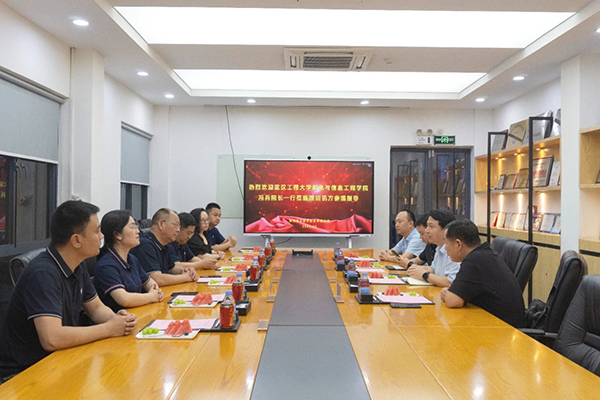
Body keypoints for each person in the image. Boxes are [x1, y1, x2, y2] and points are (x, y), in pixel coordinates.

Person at [0, 201, 137, 381]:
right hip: (24, 374)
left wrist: (118, 320)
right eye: (97, 231)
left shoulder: (77, 266)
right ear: (76, 240)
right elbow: (52, 338)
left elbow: (96, 308)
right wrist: (109, 328)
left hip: (58, 360)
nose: (102, 236)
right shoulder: (43, 273)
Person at [441, 220, 526, 328]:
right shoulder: (484, 254)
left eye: (446, 243)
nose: (445, 248)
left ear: (458, 244)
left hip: (503, 329)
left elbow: (452, 301)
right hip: (500, 324)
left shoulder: (474, 261)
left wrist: (449, 293)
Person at [94, 210, 163, 313]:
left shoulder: (132, 259)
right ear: (118, 234)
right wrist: (151, 296)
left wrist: (155, 292)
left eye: (136, 226)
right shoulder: (107, 265)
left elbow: (151, 284)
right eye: (132, 227)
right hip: (119, 318)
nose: (138, 231)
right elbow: (124, 299)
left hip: (139, 312)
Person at [131, 208, 197, 287]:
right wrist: (185, 277)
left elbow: (171, 268)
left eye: (179, 227)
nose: (178, 230)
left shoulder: (164, 245)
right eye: (176, 225)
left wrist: (185, 270)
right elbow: (156, 279)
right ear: (161, 224)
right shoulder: (146, 245)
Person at [407, 209, 460, 287]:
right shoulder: (439, 247)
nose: (427, 231)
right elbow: (433, 269)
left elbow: (450, 282)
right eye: (427, 226)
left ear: (446, 229)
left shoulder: (455, 250)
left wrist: (425, 275)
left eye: (431, 226)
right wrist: (417, 269)